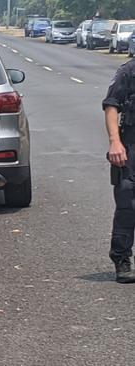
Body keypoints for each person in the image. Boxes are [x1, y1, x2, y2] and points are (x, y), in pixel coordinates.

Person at [104, 57, 135, 283]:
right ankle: (122, 259)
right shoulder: (130, 70)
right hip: (131, 144)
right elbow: (112, 105)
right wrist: (115, 142)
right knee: (127, 201)